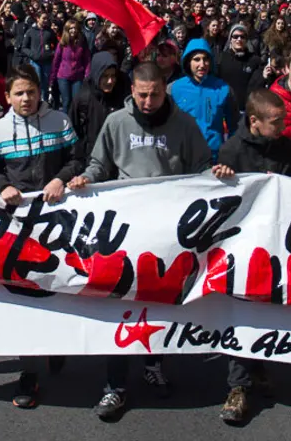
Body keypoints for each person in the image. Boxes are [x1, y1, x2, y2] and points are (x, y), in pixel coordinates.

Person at [68, 63, 211, 421]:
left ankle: (153, 363)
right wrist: (86, 177)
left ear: (166, 90)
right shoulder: (117, 122)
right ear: (132, 90)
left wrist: (218, 177)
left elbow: (201, 166)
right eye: (142, 94)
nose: (148, 101)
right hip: (127, 230)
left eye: (156, 94)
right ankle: (114, 385)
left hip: (168, 232)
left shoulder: (185, 124)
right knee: (121, 305)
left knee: (161, 303)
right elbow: (100, 164)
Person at [0, 66, 80, 409]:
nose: (26, 99)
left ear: (40, 92)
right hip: (19, 228)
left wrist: (61, 177)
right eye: (18, 93)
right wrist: (3, 186)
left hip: (58, 223)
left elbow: (77, 159)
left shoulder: (60, 121)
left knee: (58, 287)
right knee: (24, 298)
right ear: (7, 97)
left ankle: (56, 344)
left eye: (31, 92)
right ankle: (28, 372)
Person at [213, 89, 291, 425]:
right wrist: (220, 180)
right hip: (243, 246)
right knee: (241, 310)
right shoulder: (231, 150)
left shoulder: (287, 149)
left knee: (266, 309)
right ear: (254, 122)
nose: (283, 127)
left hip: (277, 243)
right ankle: (238, 386)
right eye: (276, 122)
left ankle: (259, 365)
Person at [169, 38, 240, 162]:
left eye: (206, 59)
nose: (202, 64)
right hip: (183, 157)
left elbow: (234, 126)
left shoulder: (224, 89)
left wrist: (230, 154)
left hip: (213, 157)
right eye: (196, 59)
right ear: (188, 62)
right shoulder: (174, 89)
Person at [69, 52, 128, 168]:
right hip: (91, 162)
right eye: (105, 76)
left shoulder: (122, 97)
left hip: (117, 160)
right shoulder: (83, 99)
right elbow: (74, 132)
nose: (110, 81)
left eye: (113, 76)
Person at [217, 24, 264, 112]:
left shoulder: (255, 60)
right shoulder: (221, 58)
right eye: (235, 36)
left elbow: (258, 85)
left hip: (246, 109)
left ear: (246, 40)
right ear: (230, 39)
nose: (239, 39)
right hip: (224, 108)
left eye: (242, 37)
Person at [51, 18, 91, 113]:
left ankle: (75, 122)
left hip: (78, 76)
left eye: (75, 28)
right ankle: (66, 122)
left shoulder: (82, 43)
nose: (73, 30)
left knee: (76, 101)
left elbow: (87, 60)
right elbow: (56, 61)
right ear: (67, 30)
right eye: (71, 28)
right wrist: (52, 78)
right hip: (63, 76)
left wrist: (87, 74)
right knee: (66, 101)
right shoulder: (62, 44)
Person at [21, 12, 58, 107]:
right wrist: (32, 54)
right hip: (35, 62)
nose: (45, 21)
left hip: (47, 62)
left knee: (45, 84)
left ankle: (44, 103)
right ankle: (35, 102)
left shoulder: (49, 32)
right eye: (43, 18)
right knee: (36, 82)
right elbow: (24, 47)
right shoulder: (31, 31)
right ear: (38, 18)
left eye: (47, 19)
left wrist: (52, 53)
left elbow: (57, 46)